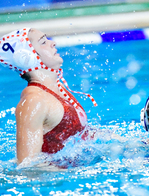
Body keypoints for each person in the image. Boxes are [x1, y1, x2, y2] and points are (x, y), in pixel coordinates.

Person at [0, 28, 97, 164]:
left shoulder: (58, 89)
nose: (52, 43)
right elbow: (29, 168)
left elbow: (84, 135)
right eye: (43, 42)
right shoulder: (33, 101)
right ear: (26, 57)